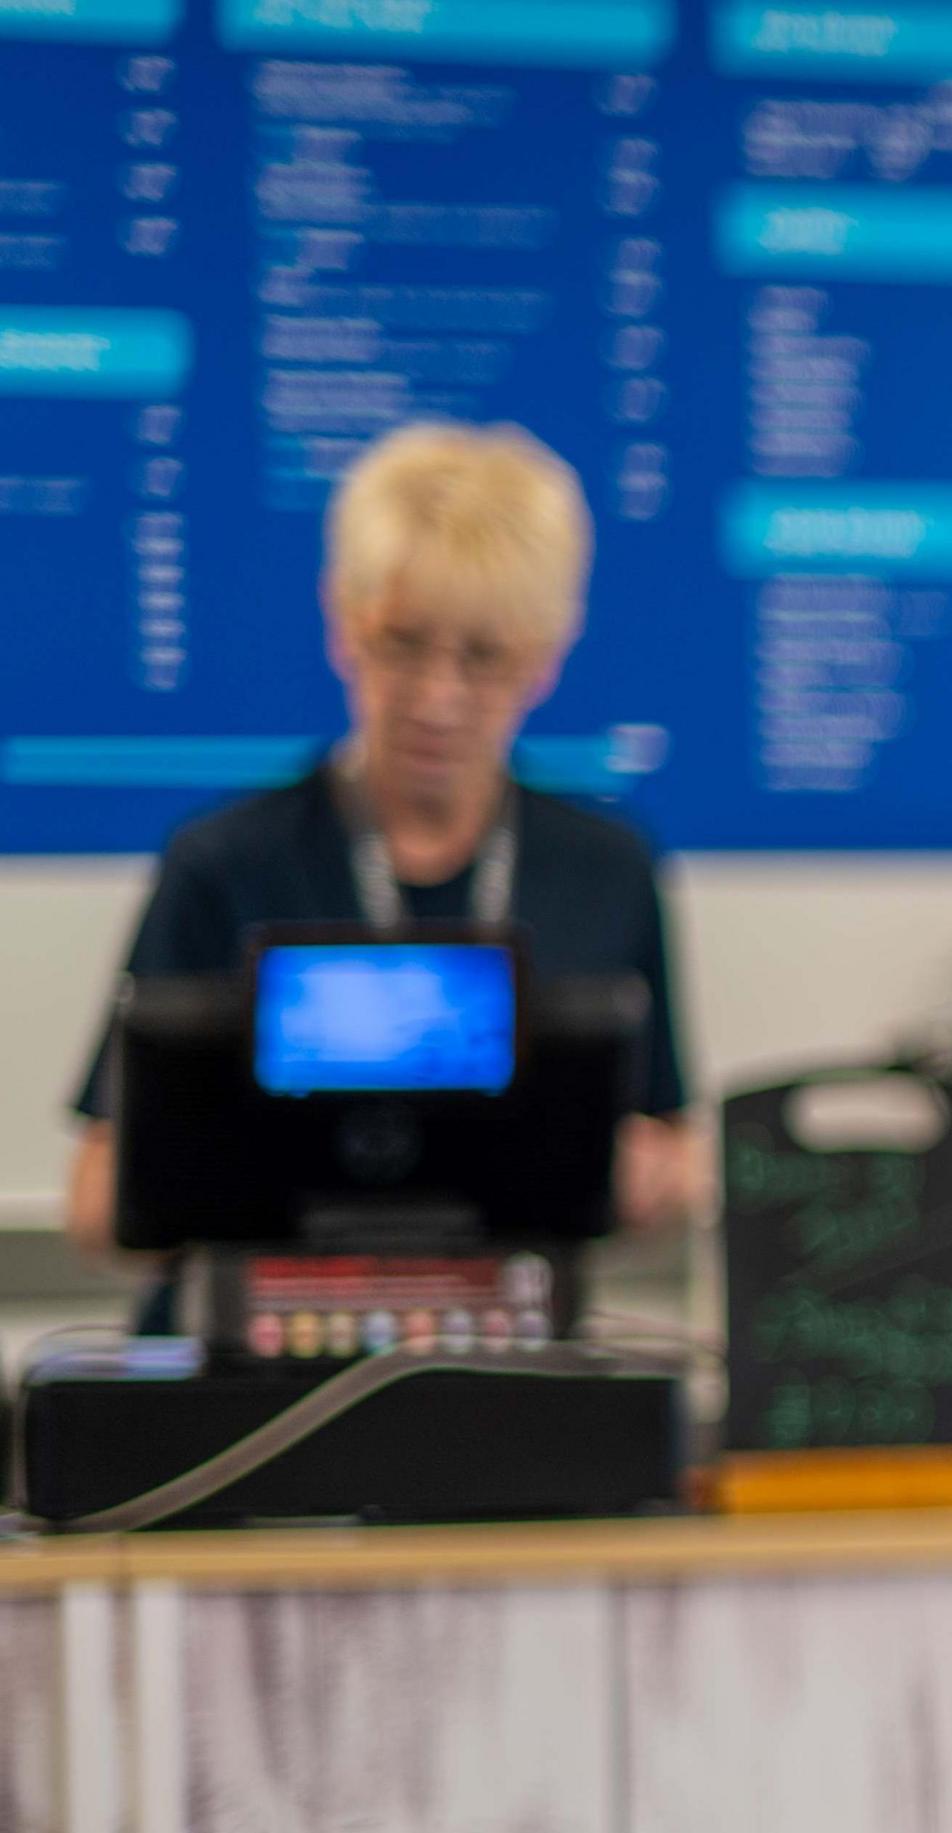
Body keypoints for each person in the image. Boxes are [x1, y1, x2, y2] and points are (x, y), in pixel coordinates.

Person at [64, 419, 698, 1261]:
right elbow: (95, 1198)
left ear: (544, 658)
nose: (437, 698)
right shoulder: (226, 864)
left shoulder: (606, 867)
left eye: (483, 656)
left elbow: (674, 1147)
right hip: (262, 1354)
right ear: (344, 622)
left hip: (499, 1350)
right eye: (402, 644)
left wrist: (656, 1176)